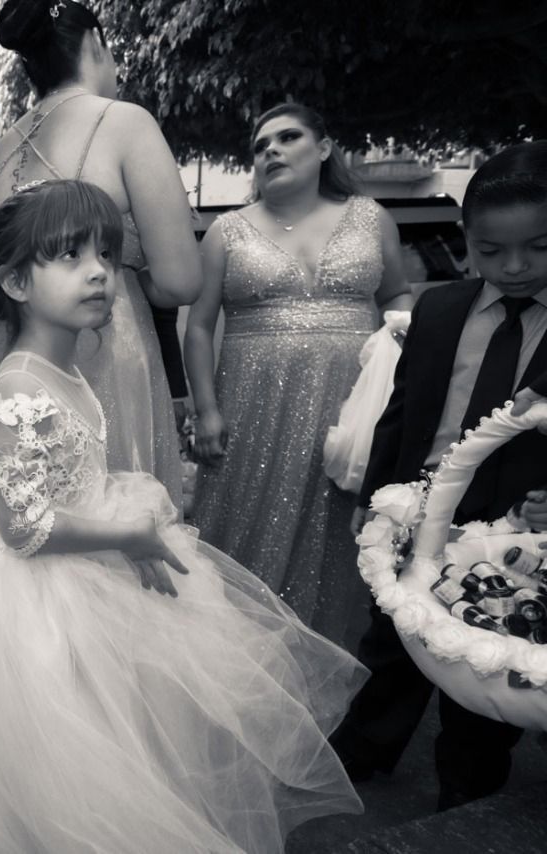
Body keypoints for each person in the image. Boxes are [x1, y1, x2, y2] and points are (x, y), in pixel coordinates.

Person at [0, 181, 365, 854]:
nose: (99, 271)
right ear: (14, 284)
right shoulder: (18, 383)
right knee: (46, 765)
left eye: (104, 252)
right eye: (69, 256)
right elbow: (22, 525)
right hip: (26, 603)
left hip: (76, 581)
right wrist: (128, 531)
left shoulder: (64, 372)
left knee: (109, 746)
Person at [332, 141, 547, 810]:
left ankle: (467, 795)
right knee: (391, 647)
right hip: (421, 515)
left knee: (482, 676)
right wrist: (375, 499)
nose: (513, 266)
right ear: (465, 240)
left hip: (513, 537)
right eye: (490, 250)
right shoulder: (439, 311)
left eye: (539, 247)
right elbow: (402, 418)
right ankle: (359, 759)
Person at [0, 0, 201, 511]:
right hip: (103, 345)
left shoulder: (1, 150)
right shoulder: (125, 123)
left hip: (18, 354)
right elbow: (180, 282)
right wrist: (124, 266)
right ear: (94, 43)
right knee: (112, 513)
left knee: (26, 511)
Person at [183, 103, 412, 645]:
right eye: (261, 146)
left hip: (352, 408)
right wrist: (206, 409)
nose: (271, 151)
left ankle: (336, 673)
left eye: (288, 138)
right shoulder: (226, 232)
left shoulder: (371, 217)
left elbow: (397, 292)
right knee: (247, 535)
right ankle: (243, 673)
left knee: (342, 542)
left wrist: (403, 330)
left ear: (325, 148)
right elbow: (197, 328)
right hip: (256, 411)